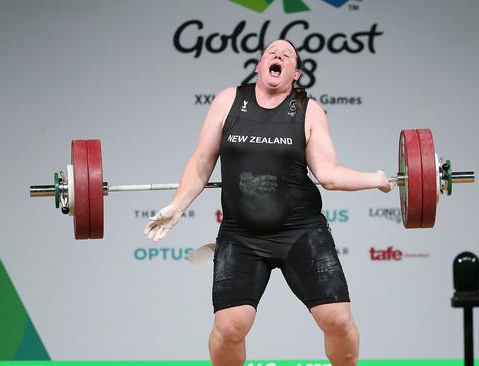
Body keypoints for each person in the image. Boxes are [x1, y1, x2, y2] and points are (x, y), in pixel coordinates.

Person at [143, 39, 395, 366]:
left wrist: (377, 179)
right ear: (260, 66)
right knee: (230, 325)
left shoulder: (309, 110)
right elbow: (202, 160)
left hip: (301, 231)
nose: (277, 55)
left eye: (286, 55)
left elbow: (329, 174)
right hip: (242, 234)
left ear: (296, 73)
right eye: (270, 54)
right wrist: (177, 206)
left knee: (337, 320)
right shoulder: (228, 101)